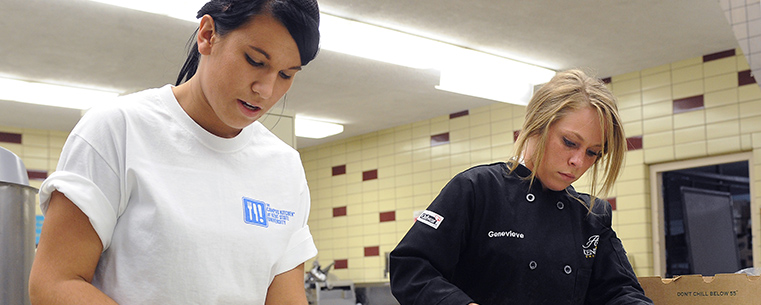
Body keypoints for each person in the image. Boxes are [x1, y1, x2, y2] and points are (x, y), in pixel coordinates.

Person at [28, 0, 320, 304]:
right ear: (207, 35)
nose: (267, 89)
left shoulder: (284, 167)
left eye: (286, 74)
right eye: (255, 61)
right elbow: (54, 283)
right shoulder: (119, 129)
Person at [389, 69, 653, 305]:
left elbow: (620, 292)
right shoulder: (476, 190)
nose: (578, 162)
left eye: (593, 153)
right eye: (570, 142)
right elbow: (411, 267)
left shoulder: (591, 216)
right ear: (538, 125)